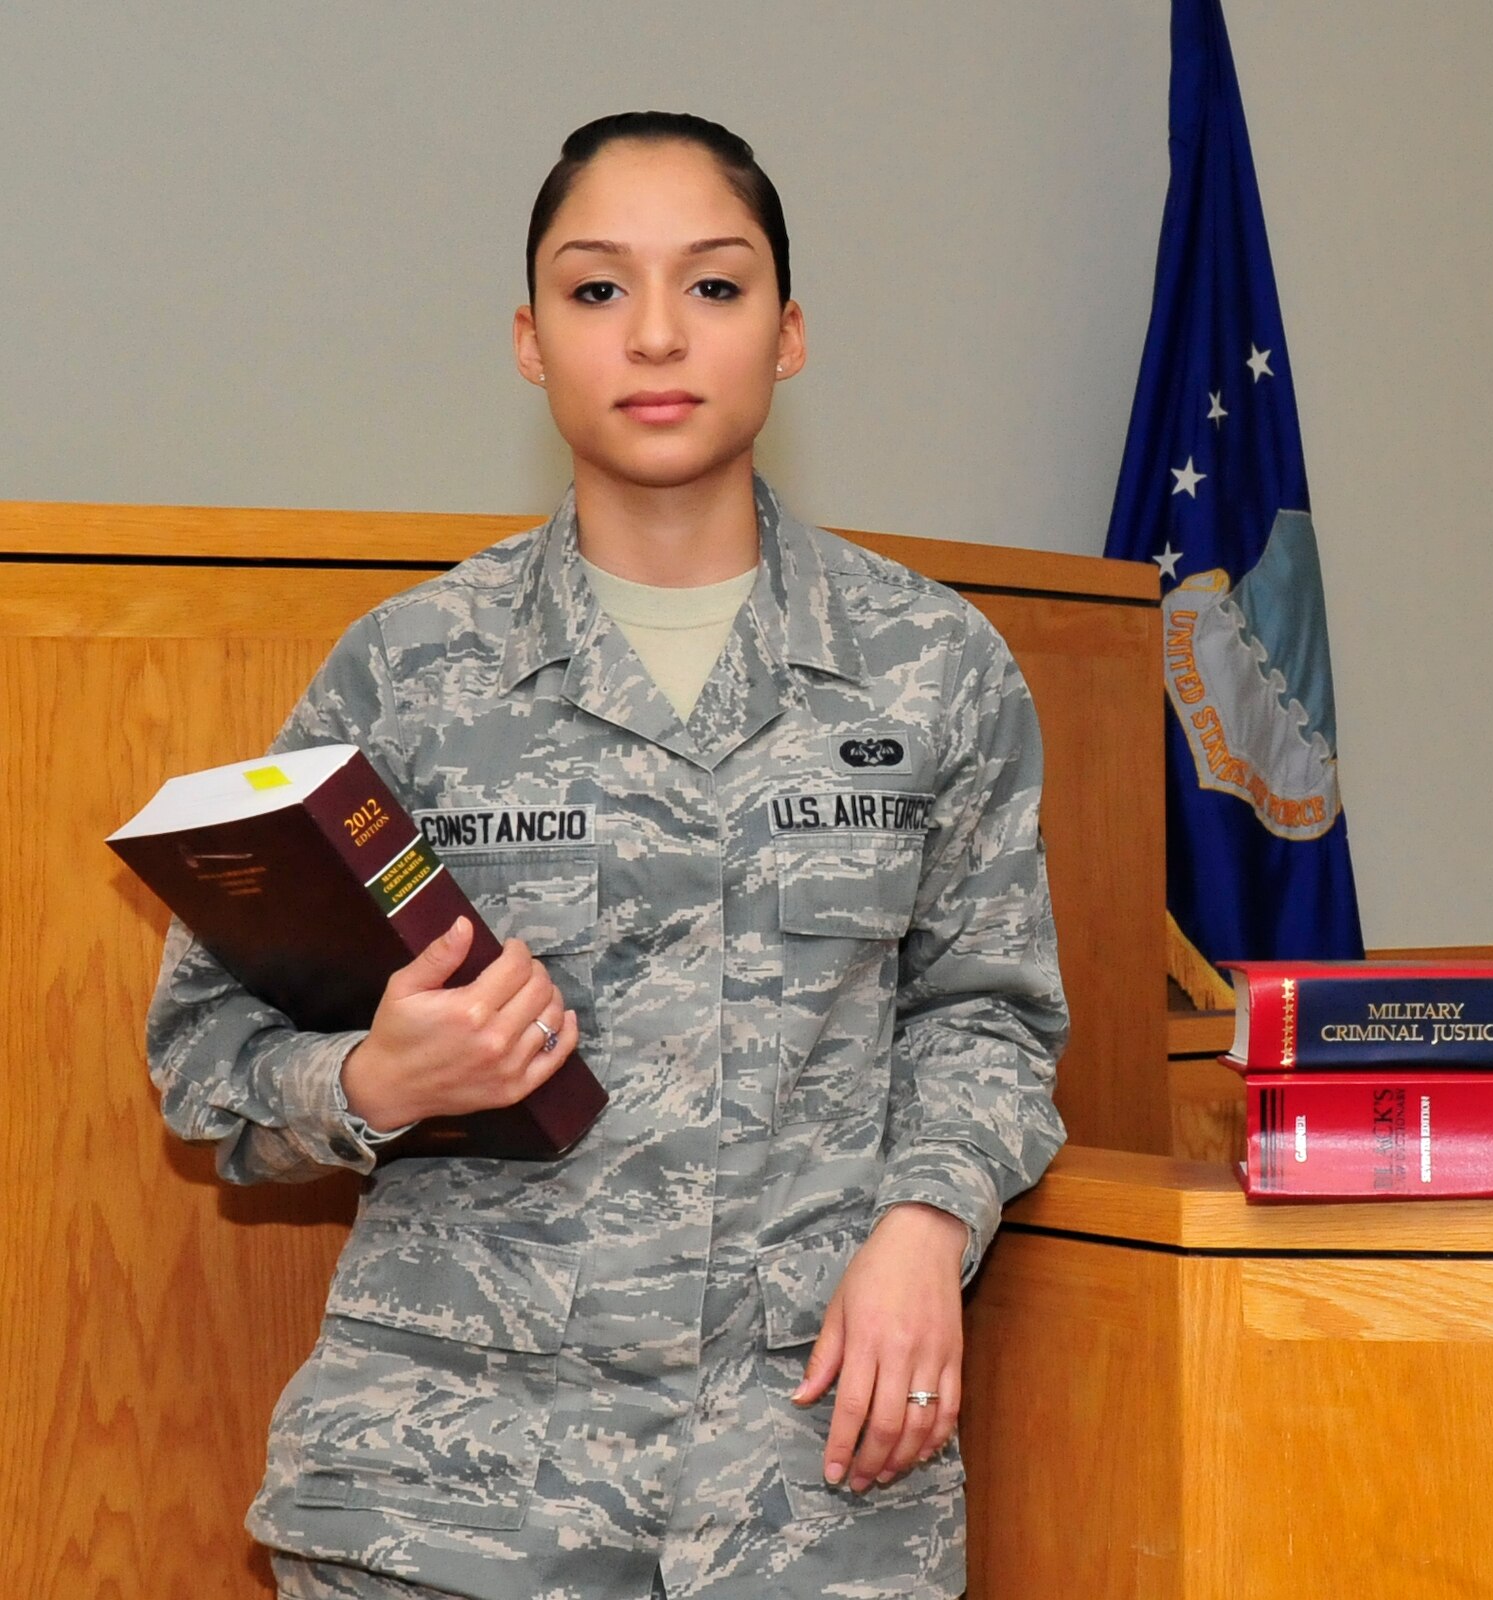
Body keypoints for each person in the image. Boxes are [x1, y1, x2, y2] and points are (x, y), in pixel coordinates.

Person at [145, 110, 1069, 1600]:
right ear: (528, 339)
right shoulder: (407, 673)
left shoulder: (931, 669)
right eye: (596, 290)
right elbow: (207, 1056)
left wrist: (925, 1222)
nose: (655, 335)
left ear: (791, 333)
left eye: (714, 286)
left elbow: (990, 1013)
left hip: (809, 1488)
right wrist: (379, 1082)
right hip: (450, 1500)